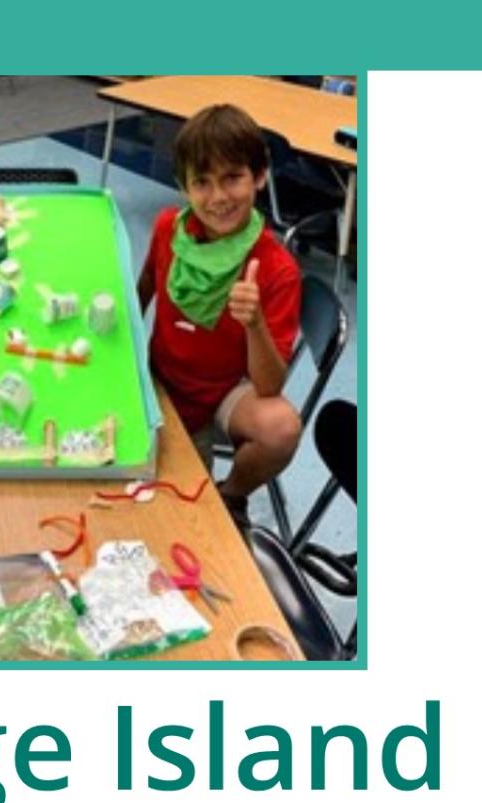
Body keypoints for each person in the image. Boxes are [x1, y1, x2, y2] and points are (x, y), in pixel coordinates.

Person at [139, 104, 302, 523]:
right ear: (183, 187)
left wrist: (255, 323)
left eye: (232, 177)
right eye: (202, 183)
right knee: (142, 495)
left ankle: (230, 495)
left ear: (260, 175)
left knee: (280, 427)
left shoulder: (277, 268)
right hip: (162, 380)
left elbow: (268, 386)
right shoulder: (167, 229)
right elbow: (140, 291)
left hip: (224, 392)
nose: (218, 198)